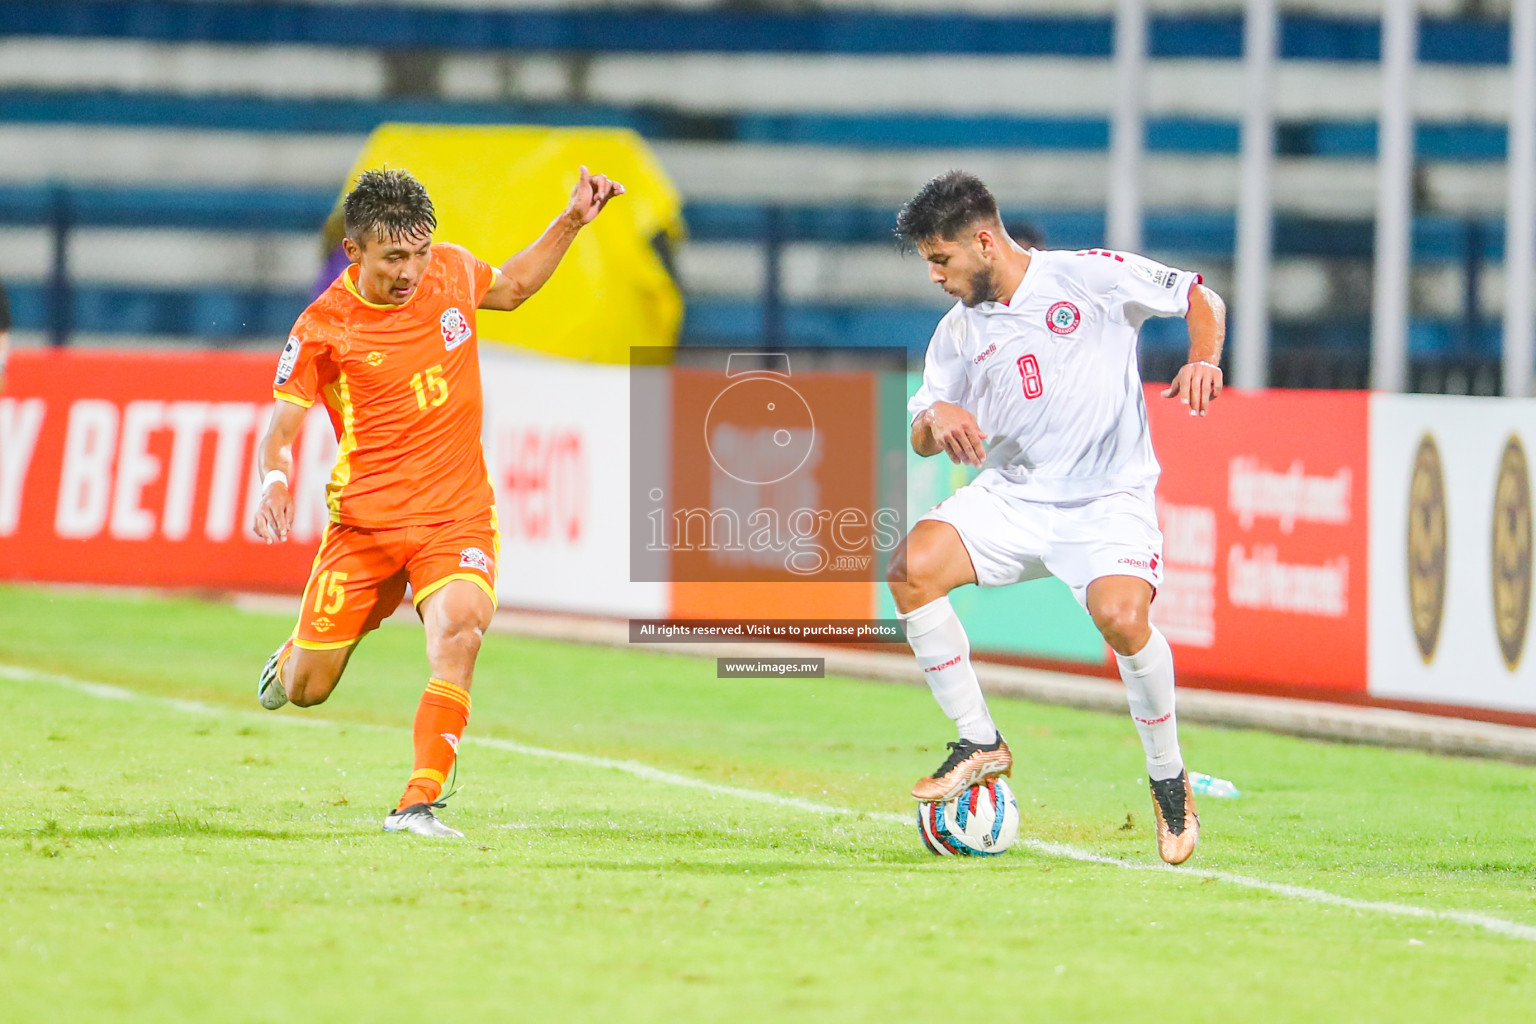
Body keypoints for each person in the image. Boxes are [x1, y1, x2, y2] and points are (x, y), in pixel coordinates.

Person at [251, 165, 624, 838]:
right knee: (308, 688)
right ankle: (294, 655)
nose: (413, 271)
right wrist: (275, 484)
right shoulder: (322, 328)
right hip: (365, 529)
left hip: (455, 517)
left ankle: (417, 801)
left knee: (460, 632)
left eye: (421, 253)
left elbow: (510, 288)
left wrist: (570, 220)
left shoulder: (451, 272)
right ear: (354, 252)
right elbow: (279, 432)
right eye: (395, 257)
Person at [888, 171, 1225, 865]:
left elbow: (1199, 296)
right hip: (1014, 496)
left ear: (984, 242)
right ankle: (980, 740)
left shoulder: (1087, 278)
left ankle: (1169, 777)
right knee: (911, 570)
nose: (935, 276)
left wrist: (1203, 359)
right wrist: (935, 417)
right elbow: (923, 424)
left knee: (1123, 620)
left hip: (1108, 500)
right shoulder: (956, 334)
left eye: (941, 259)